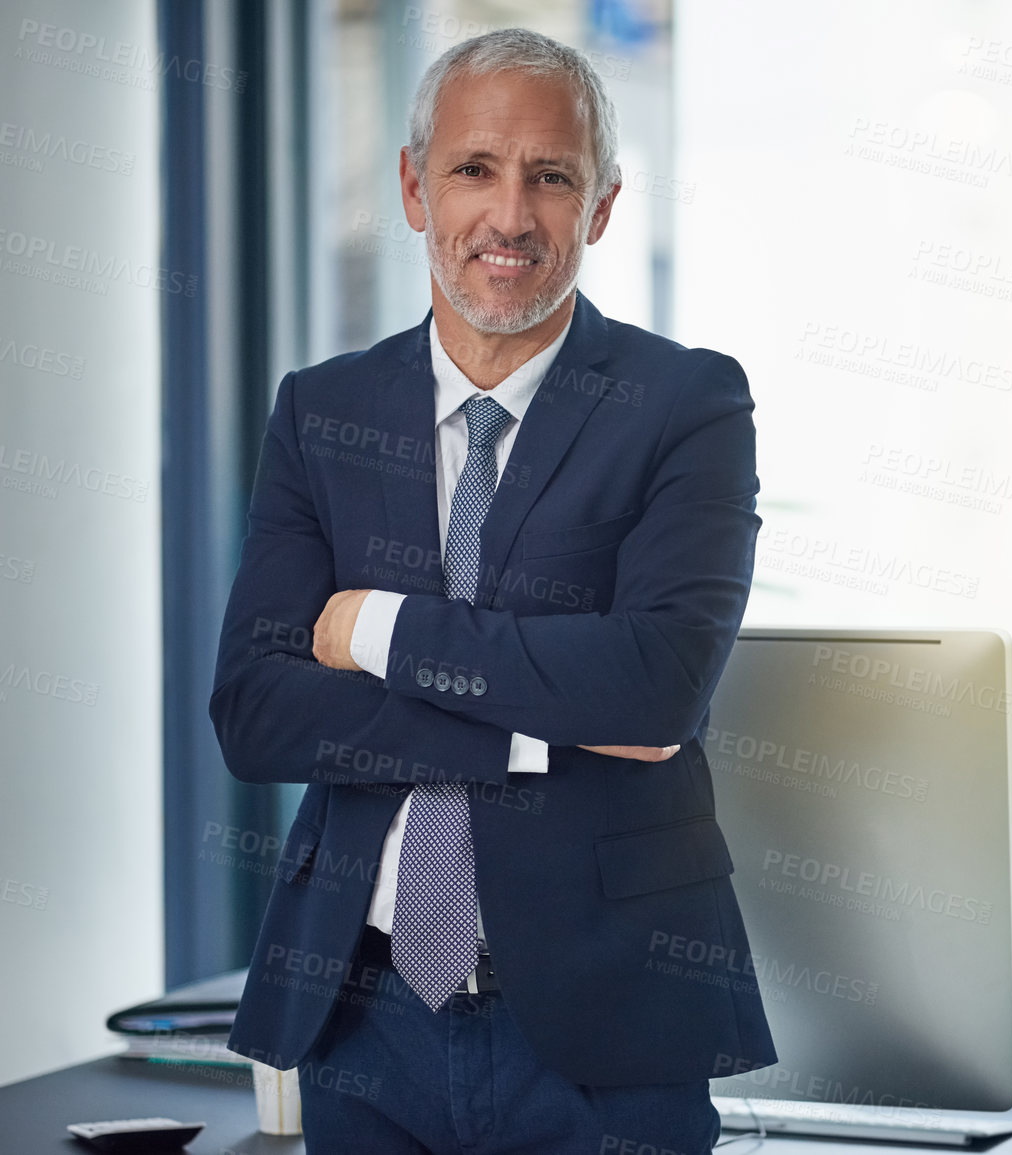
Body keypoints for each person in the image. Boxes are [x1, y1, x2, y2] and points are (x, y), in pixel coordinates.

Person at [209, 27, 775, 1154]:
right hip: (362, 1024)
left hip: (610, 1027)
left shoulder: (685, 406)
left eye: (550, 177)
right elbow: (256, 712)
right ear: (417, 188)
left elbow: (653, 689)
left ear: (601, 206)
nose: (509, 216)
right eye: (474, 169)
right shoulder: (320, 410)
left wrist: (377, 626)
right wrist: (534, 727)